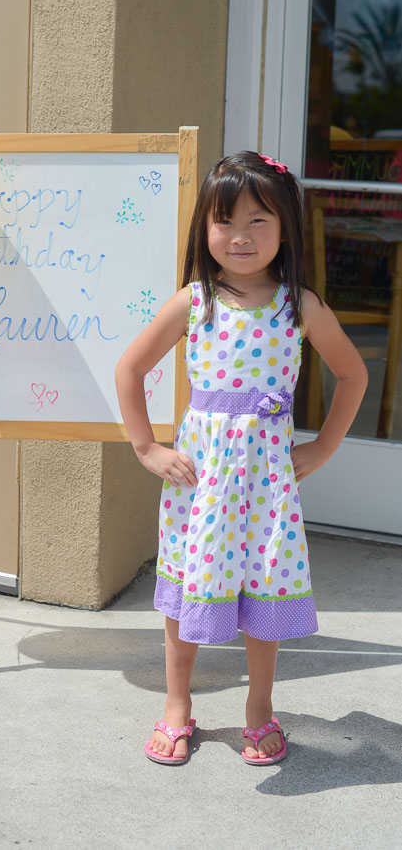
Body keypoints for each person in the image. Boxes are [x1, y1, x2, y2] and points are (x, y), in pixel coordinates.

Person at [114, 150, 368, 766]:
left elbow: (352, 374)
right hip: (200, 482)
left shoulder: (298, 305)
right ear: (205, 228)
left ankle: (259, 708)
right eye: (226, 221)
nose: (241, 236)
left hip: (265, 487)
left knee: (263, 593)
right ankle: (177, 705)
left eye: (259, 221)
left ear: (286, 229)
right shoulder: (192, 302)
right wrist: (147, 447)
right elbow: (130, 368)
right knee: (188, 594)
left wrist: (325, 445)